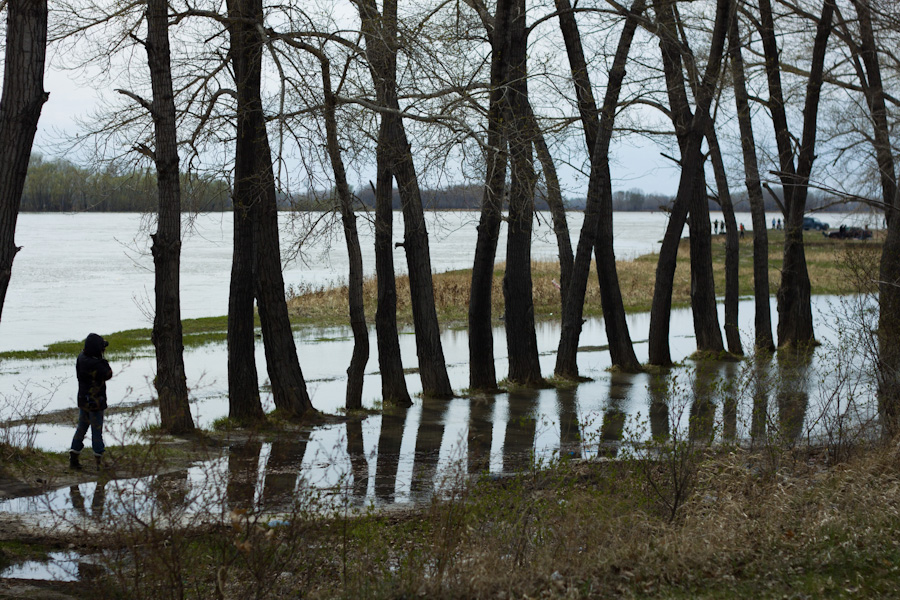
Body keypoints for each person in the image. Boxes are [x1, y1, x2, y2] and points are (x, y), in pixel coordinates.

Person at [69, 333, 113, 470]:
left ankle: (74, 457)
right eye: (102, 348)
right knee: (96, 431)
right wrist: (103, 361)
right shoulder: (98, 364)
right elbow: (108, 374)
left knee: (81, 429)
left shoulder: (81, 358)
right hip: (96, 403)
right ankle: (100, 462)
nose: (103, 350)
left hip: (83, 400)